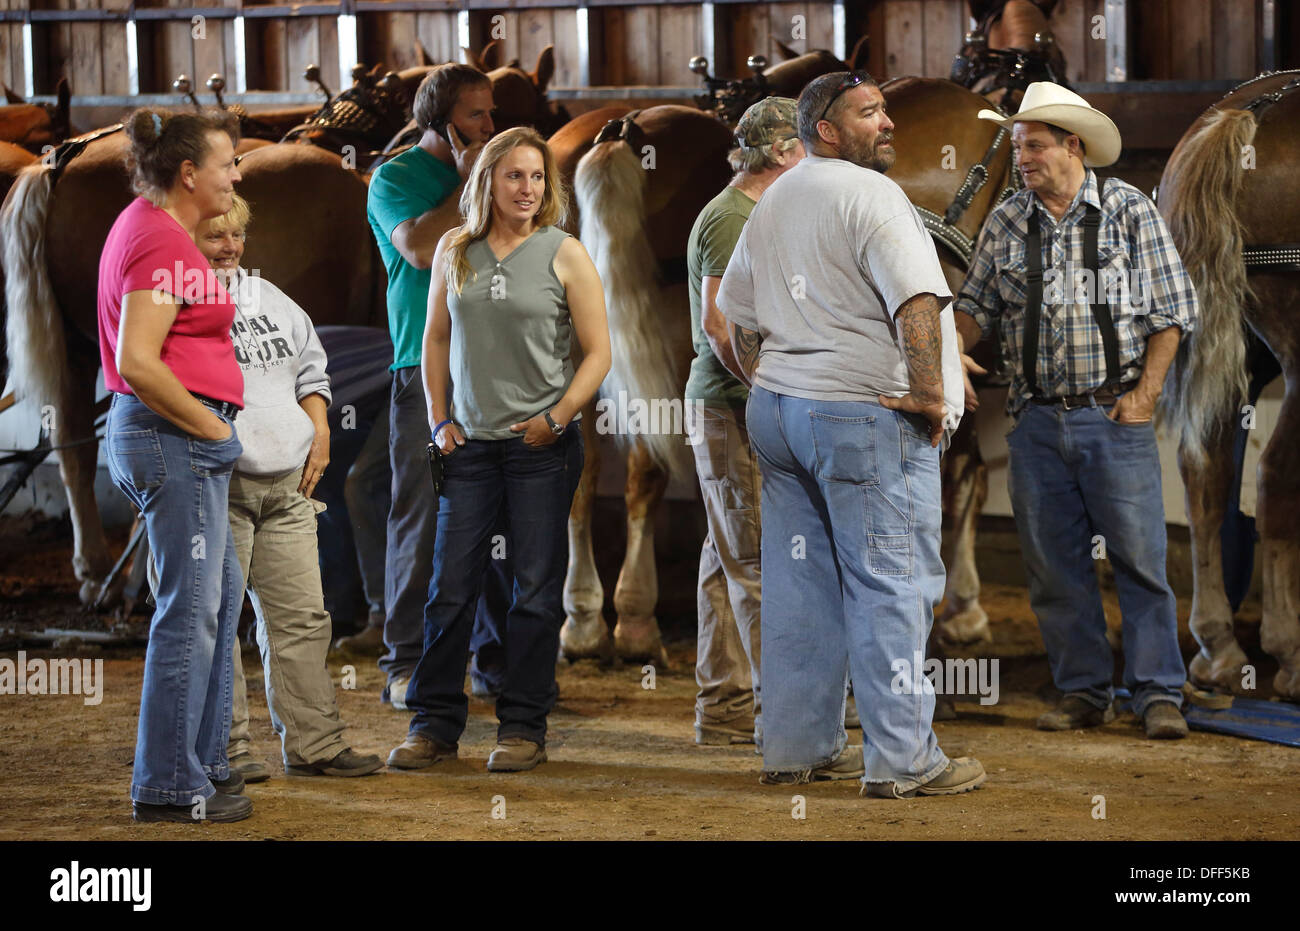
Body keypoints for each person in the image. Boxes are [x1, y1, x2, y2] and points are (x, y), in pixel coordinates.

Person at [718, 71, 985, 797]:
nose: (888, 122)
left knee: (800, 582)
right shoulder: (873, 195)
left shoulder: (775, 199)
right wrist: (931, 392)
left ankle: (796, 747)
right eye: (871, 113)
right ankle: (903, 760)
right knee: (892, 585)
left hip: (780, 414)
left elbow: (733, 315)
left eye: (886, 109)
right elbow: (918, 300)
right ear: (827, 131)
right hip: (862, 415)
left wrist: (768, 382)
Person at [952, 82, 1196, 739]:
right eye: (1015, 146)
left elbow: (1174, 311)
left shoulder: (1128, 211)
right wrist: (940, 358)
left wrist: (1144, 395)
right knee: (1054, 565)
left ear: (1072, 145)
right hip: (1035, 421)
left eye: (1032, 145)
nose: (1021, 157)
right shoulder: (1006, 219)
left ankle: (1157, 692)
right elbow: (973, 310)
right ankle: (1084, 689)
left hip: (1112, 416)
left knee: (1141, 561)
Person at [387, 126, 611, 773]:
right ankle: (433, 725)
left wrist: (559, 416)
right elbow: (433, 339)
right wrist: (437, 418)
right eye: (514, 175)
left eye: (537, 177)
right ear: (488, 181)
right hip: (471, 451)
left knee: (535, 591)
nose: (527, 188)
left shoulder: (564, 252)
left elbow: (599, 352)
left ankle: (522, 725)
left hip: (541, 449)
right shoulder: (456, 249)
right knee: (449, 588)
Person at [193, 194, 384, 780]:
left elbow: (311, 367)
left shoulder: (267, 296)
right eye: (214, 235)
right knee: (218, 623)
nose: (229, 247)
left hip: (289, 485)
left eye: (236, 235)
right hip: (220, 486)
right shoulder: (174, 301)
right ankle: (224, 752)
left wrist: (320, 431)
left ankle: (314, 744)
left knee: (302, 617)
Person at [99, 108, 251, 822]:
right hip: (174, 434)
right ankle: (167, 783)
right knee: (189, 613)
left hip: (169, 434)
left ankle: (205, 764)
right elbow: (136, 361)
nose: (236, 175)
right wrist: (213, 428)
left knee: (210, 604)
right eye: (227, 164)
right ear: (188, 174)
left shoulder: (151, 227)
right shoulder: (161, 242)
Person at [360, 62, 510, 706]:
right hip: (422, 370)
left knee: (497, 519)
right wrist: (474, 178)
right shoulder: (394, 177)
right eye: (477, 114)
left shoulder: (503, 172)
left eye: (491, 113)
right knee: (419, 513)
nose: (490, 125)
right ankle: (404, 661)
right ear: (442, 122)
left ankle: (492, 663)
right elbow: (423, 247)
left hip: (496, 368)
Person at [685, 97, 804, 747]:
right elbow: (718, 320)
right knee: (757, 561)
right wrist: (766, 389)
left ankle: (724, 706)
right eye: (807, 149)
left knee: (723, 556)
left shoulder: (748, 211)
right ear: (785, 153)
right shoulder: (734, 218)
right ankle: (782, 711)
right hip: (732, 405)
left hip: (729, 403)